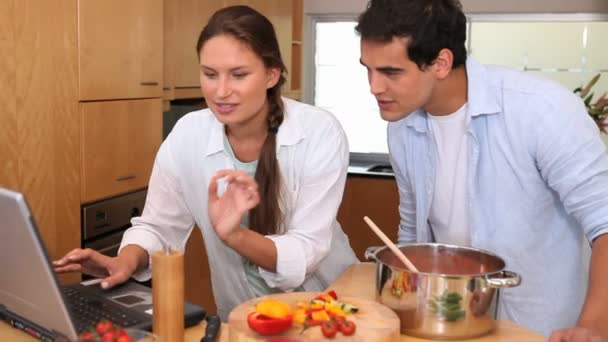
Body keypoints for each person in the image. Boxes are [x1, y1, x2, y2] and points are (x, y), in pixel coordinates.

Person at [54, 5, 358, 320]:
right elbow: (159, 226)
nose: (221, 91)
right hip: (242, 318)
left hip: (328, 311)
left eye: (239, 75)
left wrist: (236, 236)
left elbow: (306, 251)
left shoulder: (318, 132)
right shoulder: (188, 134)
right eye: (209, 74)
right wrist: (124, 262)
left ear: (272, 74)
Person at [355, 0, 608, 340]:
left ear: (441, 63)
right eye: (367, 69)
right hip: (449, 320)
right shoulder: (401, 125)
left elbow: (604, 222)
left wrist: (592, 327)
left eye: (390, 72)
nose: (373, 87)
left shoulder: (543, 110)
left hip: (540, 328)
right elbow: (413, 228)